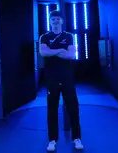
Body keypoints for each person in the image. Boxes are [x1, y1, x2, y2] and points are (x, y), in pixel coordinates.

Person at [39, 10, 84, 151]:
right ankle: (52, 140)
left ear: (62, 21)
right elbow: (43, 52)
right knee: (52, 108)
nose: (55, 21)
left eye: (58, 19)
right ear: (50, 21)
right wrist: (60, 51)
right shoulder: (44, 37)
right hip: (51, 77)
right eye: (53, 19)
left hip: (67, 76)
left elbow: (71, 54)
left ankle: (77, 138)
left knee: (73, 107)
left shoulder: (69, 36)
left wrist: (53, 51)